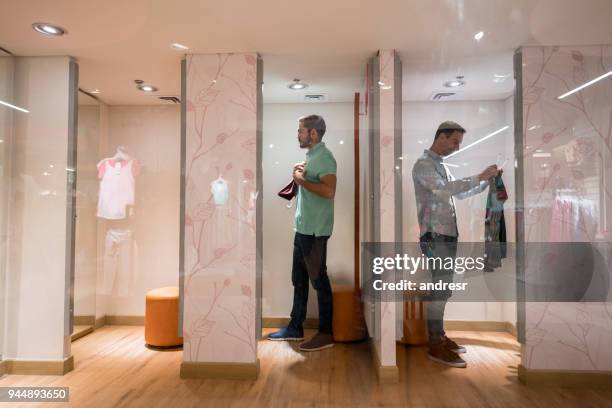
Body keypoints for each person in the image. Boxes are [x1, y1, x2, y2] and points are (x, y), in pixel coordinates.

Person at [412, 121, 499, 368]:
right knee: (440, 290)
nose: (456, 146)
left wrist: (485, 182)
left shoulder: (440, 165)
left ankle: (438, 336)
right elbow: (443, 190)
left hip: (447, 235)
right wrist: (478, 176)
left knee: (443, 289)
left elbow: (458, 193)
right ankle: (435, 344)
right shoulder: (423, 165)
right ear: (441, 137)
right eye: (454, 141)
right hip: (434, 236)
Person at [268, 114, 337, 352]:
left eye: (301, 131)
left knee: (319, 281)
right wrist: (300, 175)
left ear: (313, 134)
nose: (298, 134)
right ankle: (296, 326)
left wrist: (301, 180)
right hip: (304, 229)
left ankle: (326, 333)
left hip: (316, 232)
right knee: (299, 279)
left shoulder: (325, 157)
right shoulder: (313, 156)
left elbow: (329, 191)